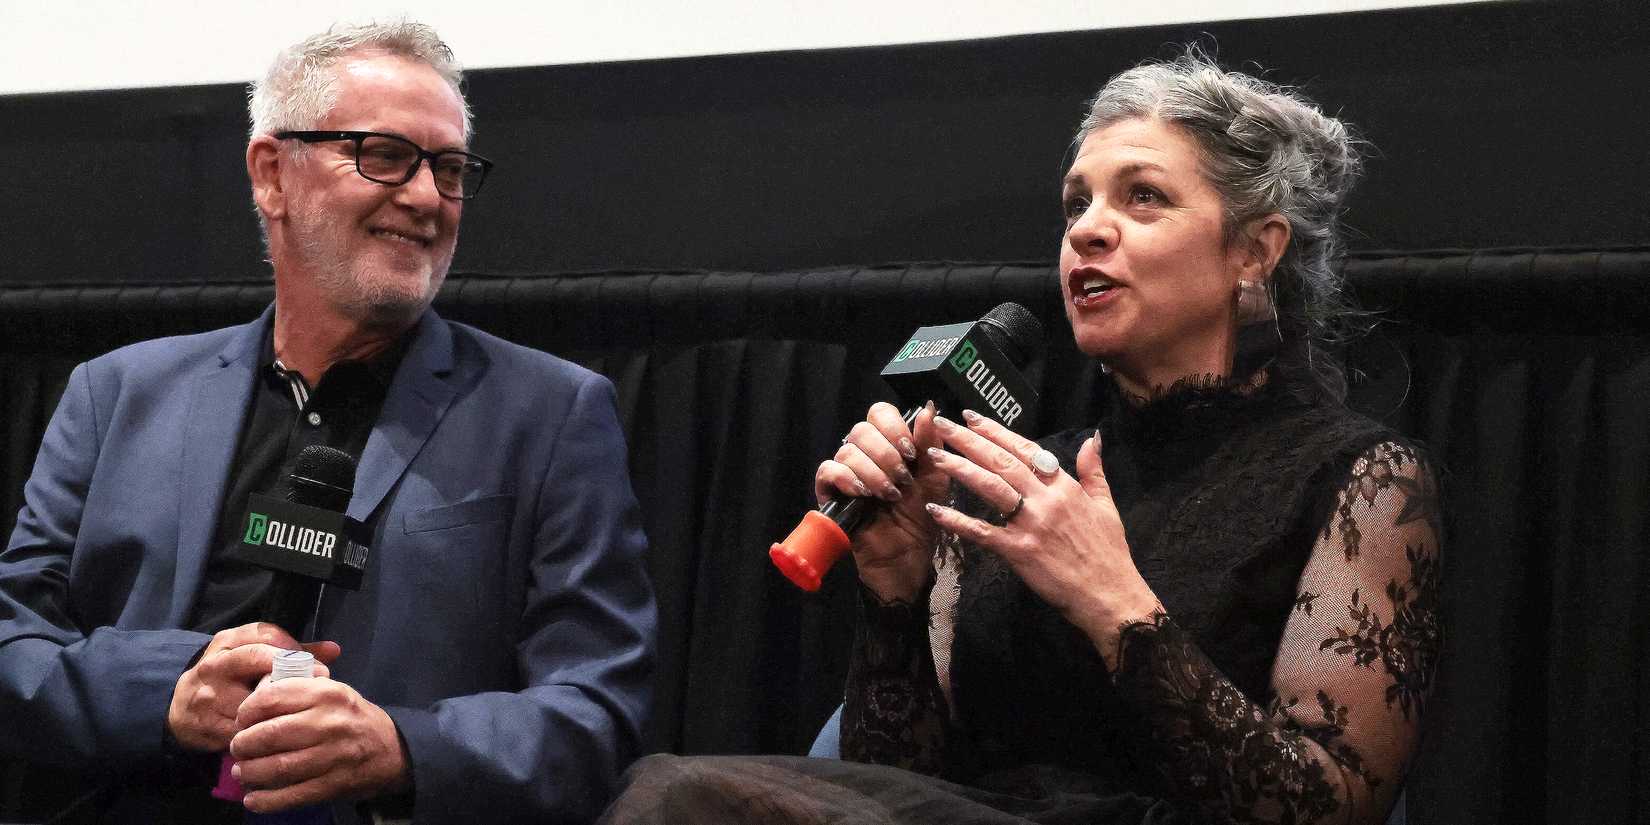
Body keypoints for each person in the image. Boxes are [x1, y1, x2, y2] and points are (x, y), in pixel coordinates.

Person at [600, 49, 1440, 825]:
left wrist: (1117, 607)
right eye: (1078, 202)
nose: (1087, 229)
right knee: (668, 790)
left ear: (1255, 251)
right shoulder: (1016, 480)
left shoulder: (1358, 477)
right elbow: (897, 781)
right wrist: (895, 589)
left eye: (1142, 196)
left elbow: (1332, 807)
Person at [0, 21, 655, 824]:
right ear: (272, 174)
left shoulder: (551, 414)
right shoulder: (116, 394)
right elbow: (13, 646)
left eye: (449, 169)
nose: (424, 197)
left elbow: (598, 709)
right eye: (383, 155)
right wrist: (166, 691)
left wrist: (403, 747)